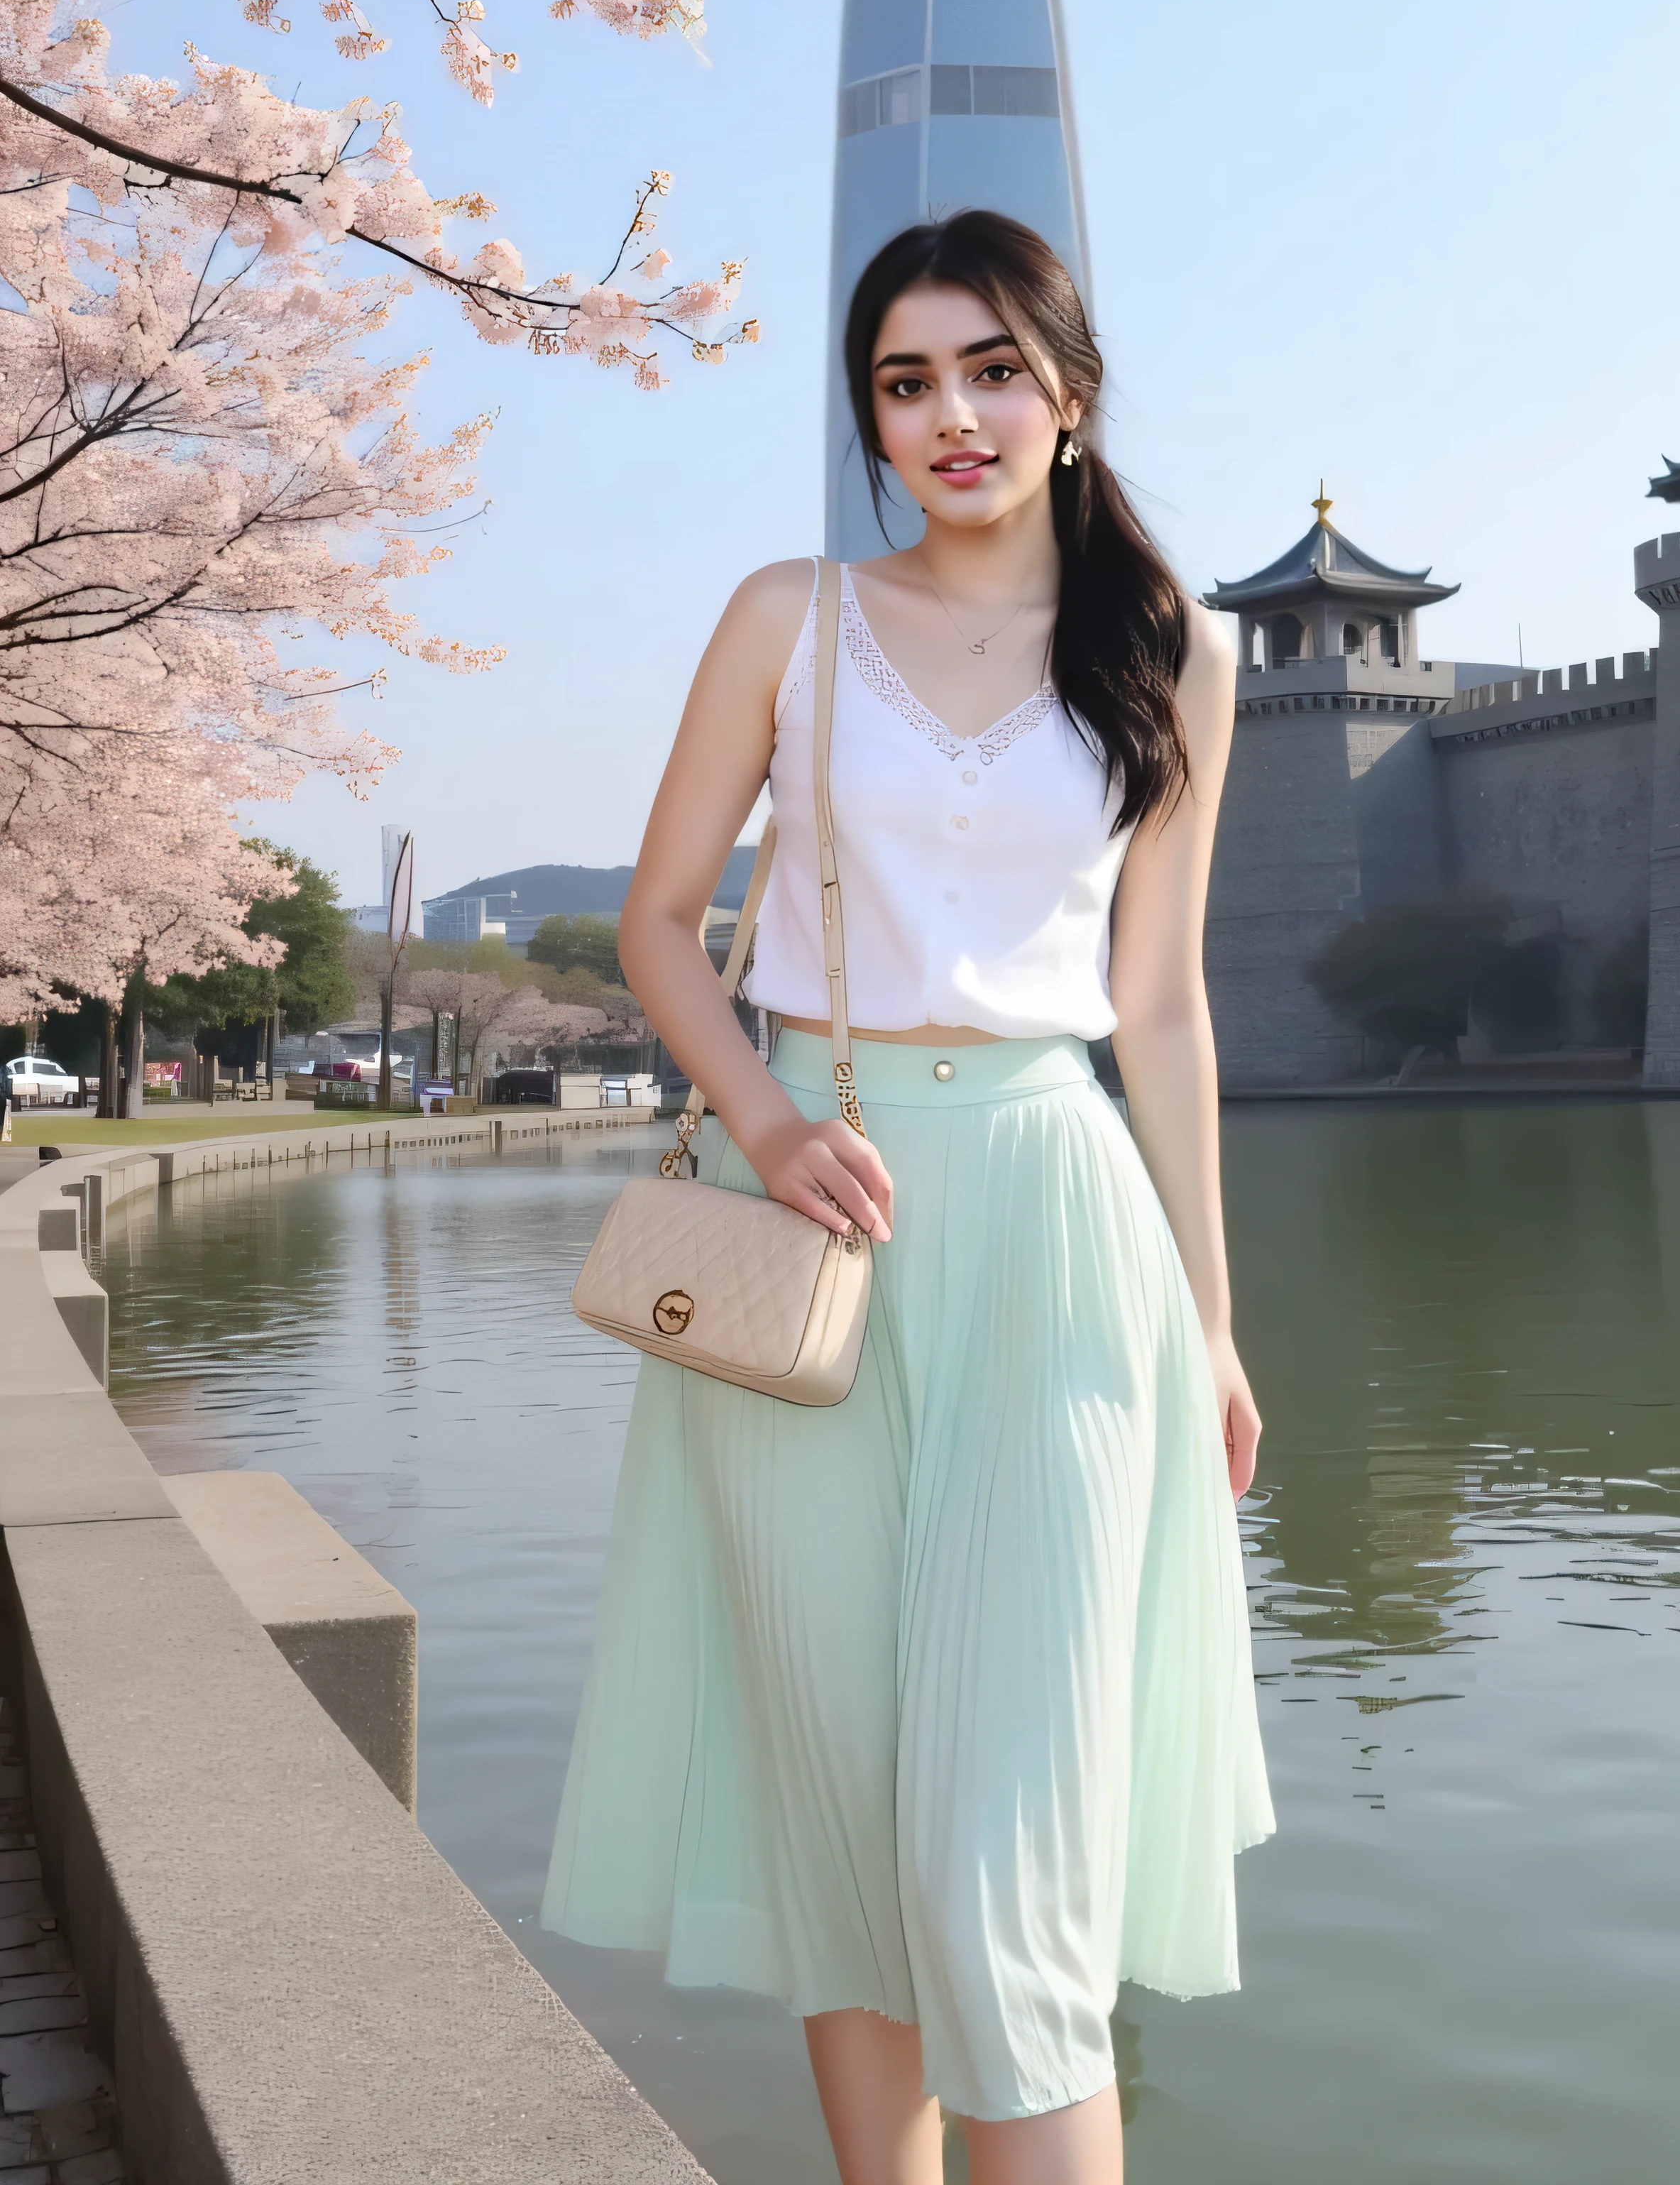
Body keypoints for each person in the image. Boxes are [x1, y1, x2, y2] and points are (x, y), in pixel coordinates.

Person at [545, 209, 1272, 2184]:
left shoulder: (1173, 652)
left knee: (1008, 1862)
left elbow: (1165, 1005)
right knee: (845, 1827)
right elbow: (659, 923)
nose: (951, 414)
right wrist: (771, 1130)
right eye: (904, 380)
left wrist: (1210, 1314)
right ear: (870, 416)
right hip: (813, 1236)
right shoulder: (792, 617)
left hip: (1058, 1227)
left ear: (1068, 388)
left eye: (991, 368)